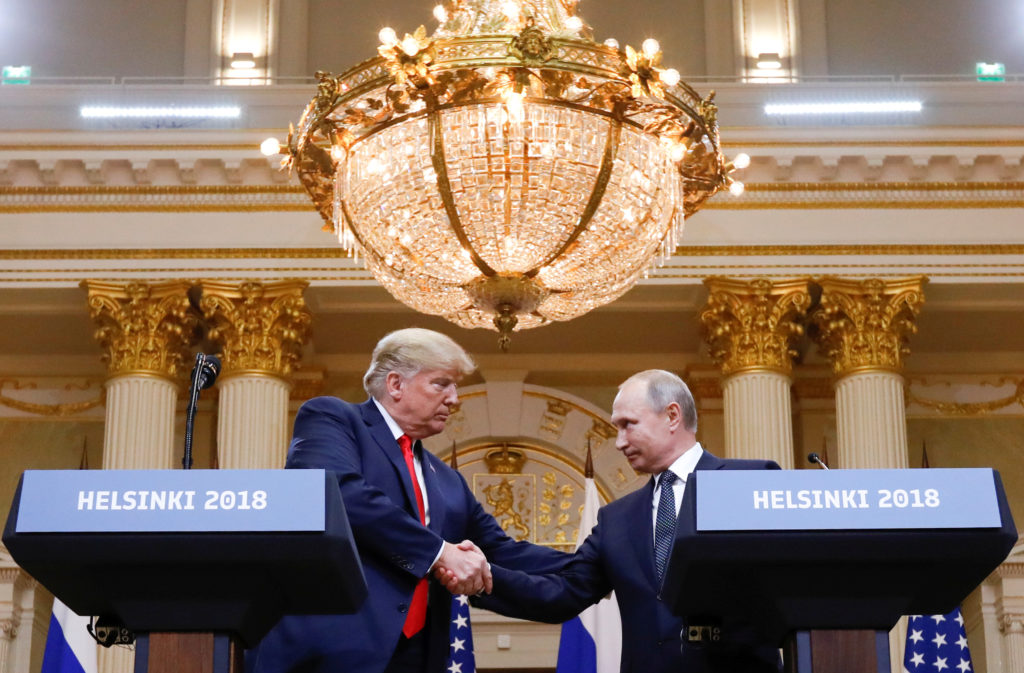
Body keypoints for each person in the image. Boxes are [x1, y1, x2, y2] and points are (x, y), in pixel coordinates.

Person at [248, 328, 568, 673]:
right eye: (441, 384)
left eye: (455, 386)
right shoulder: (333, 418)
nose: (455, 399)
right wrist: (439, 553)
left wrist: (594, 565)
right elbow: (339, 492)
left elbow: (500, 549)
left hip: (418, 655)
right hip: (330, 654)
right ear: (396, 384)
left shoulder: (447, 480)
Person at [444, 369, 783, 673]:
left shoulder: (748, 480)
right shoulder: (616, 519)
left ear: (672, 415)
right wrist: (482, 578)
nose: (619, 442)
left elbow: (786, 579)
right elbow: (563, 593)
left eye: (627, 425)